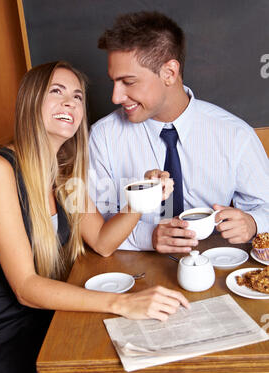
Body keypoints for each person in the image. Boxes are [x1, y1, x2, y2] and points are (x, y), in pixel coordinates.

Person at [0, 61, 189, 373]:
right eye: (56, 92)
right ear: (30, 101)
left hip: (48, 316)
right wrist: (122, 303)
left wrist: (139, 200)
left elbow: (102, 242)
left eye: (77, 97)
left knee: (142, 366)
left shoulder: (65, 175)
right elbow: (26, 288)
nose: (70, 103)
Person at [89, 11, 269, 254]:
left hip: (216, 268)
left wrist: (253, 222)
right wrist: (149, 236)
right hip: (131, 275)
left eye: (128, 82)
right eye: (113, 81)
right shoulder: (103, 138)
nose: (115, 97)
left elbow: (265, 206)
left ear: (169, 73)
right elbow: (96, 228)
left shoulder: (235, 135)